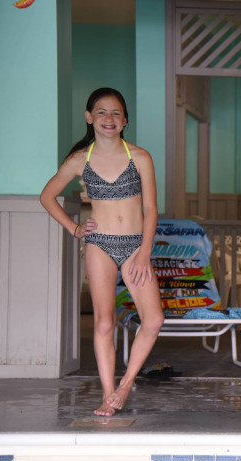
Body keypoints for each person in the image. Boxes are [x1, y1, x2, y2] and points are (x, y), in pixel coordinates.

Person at [40, 87, 163, 417]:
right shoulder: (80, 160)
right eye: (101, 112)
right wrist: (75, 229)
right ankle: (109, 394)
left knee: (153, 319)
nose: (109, 118)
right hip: (100, 246)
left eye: (116, 113)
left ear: (125, 120)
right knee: (104, 323)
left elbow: (151, 209)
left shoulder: (140, 157)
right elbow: (47, 196)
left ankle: (126, 384)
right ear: (89, 117)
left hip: (136, 245)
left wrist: (144, 252)